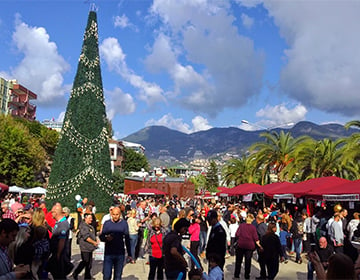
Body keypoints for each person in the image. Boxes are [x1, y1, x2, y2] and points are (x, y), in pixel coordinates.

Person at [99, 206, 131, 280]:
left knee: (117, 276)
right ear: (111, 214)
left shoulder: (124, 224)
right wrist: (106, 239)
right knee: (106, 276)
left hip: (120, 253)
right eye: (113, 214)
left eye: (117, 214)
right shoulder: (107, 223)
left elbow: (127, 238)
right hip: (109, 253)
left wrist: (129, 254)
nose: (115, 216)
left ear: (120, 214)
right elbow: (101, 236)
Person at [48, 203, 73, 279]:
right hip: (56, 253)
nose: (51, 214)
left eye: (52, 212)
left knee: (59, 275)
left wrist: (58, 255)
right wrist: (48, 227)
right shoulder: (59, 222)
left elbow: (61, 240)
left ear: (55, 213)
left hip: (60, 255)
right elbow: (56, 233)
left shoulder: (63, 224)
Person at [234, 213, 262, 280]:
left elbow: (237, 234)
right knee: (248, 261)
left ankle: (236, 275)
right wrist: (260, 246)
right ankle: (247, 276)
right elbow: (256, 238)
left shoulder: (241, 226)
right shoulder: (253, 227)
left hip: (241, 245)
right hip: (250, 246)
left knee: (238, 261)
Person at [73, 213, 99, 280]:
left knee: (89, 263)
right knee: (85, 262)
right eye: (89, 218)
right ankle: (76, 273)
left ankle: (87, 277)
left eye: (91, 218)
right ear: (85, 218)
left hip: (90, 247)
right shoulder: (83, 226)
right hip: (85, 247)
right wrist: (94, 243)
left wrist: (96, 239)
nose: (91, 219)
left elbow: (94, 235)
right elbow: (86, 237)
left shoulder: (90, 226)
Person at [255, 214, 268, 280]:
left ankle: (263, 275)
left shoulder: (260, 227)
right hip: (266, 245)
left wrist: (260, 245)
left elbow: (262, 236)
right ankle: (265, 274)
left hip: (262, 246)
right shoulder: (265, 225)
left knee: (262, 262)